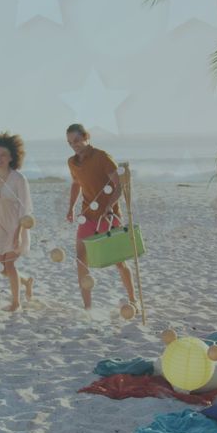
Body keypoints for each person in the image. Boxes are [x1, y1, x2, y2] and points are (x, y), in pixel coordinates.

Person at [65, 124, 135, 310]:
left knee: (119, 263)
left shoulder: (102, 157)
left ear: (86, 137)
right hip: (87, 216)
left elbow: (119, 185)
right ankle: (87, 307)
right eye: (70, 142)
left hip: (109, 216)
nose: (74, 145)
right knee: (80, 259)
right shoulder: (72, 162)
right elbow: (76, 184)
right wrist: (71, 207)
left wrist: (110, 206)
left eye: (77, 140)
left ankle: (133, 299)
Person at [0, 132, 34, 312]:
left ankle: (16, 303)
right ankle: (26, 281)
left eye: (4, 154)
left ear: (12, 157)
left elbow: (25, 209)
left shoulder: (19, 179)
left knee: (10, 264)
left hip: (16, 225)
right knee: (2, 268)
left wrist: (18, 234)